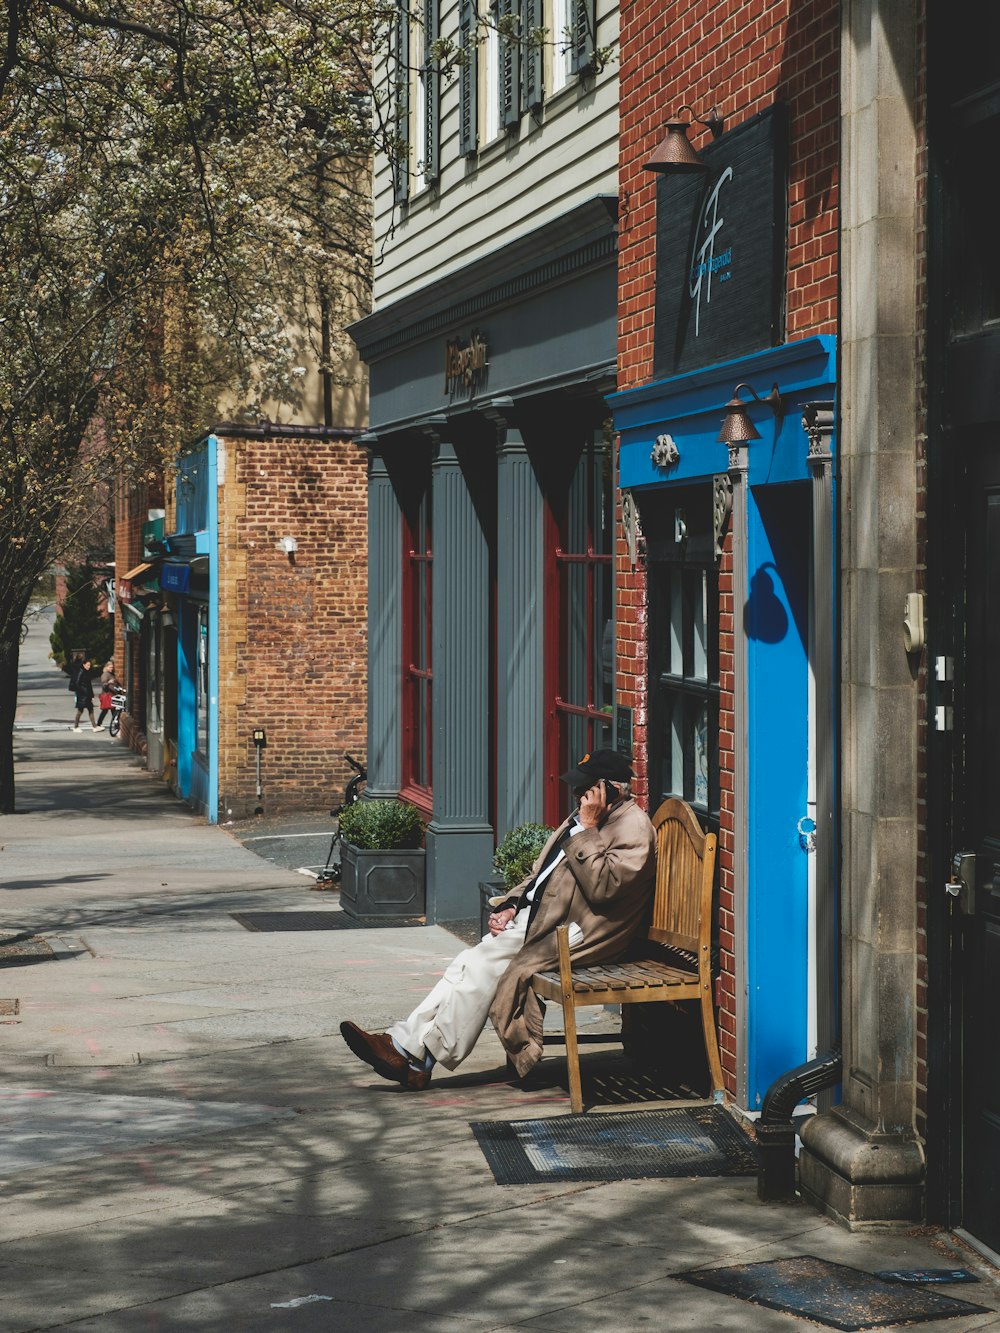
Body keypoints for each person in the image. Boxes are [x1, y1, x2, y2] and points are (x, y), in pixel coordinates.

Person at [340, 749, 657, 1091]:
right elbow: (541, 876)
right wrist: (511, 904)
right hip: (541, 918)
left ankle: (410, 1053)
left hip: (578, 932)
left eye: (585, 789)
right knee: (466, 963)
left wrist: (588, 830)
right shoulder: (583, 819)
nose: (577, 795)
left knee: (481, 965)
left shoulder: (632, 828)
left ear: (610, 789)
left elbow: (603, 889)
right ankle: (407, 1050)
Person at [71, 658, 101, 732]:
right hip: (82, 695)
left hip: (86, 695)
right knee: (80, 711)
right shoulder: (81, 672)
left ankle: (94, 726)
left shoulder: (86, 672)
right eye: (87, 665)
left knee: (90, 710)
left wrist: (91, 695)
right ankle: (76, 726)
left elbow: (89, 685)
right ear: (84, 665)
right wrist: (84, 691)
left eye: (89, 665)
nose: (89, 667)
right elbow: (77, 683)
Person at [96, 660, 118, 728]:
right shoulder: (105, 674)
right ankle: (99, 724)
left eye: (112, 667)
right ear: (106, 667)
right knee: (106, 710)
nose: (111, 668)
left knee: (112, 710)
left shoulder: (111, 674)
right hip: (107, 695)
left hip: (112, 695)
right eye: (110, 667)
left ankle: (115, 724)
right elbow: (104, 684)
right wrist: (109, 682)